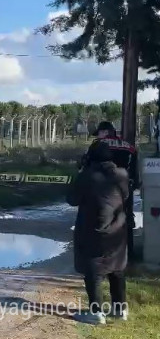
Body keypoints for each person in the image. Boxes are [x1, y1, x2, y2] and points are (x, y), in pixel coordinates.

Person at [68, 140, 130, 325]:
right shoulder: (122, 174)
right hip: (117, 228)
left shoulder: (88, 175)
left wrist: (79, 173)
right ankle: (119, 310)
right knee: (117, 268)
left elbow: (72, 199)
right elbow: (125, 196)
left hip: (93, 229)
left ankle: (96, 313)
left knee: (93, 269)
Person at [79, 121, 140, 261]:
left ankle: (101, 255)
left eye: (99, 133)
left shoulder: (98, 145)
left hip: (101, 189)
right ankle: (127, 254)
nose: (99, 136)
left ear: (106, 132)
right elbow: (135, 171)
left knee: (99, 221)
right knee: (125, 219)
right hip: (124, 189)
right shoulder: (129, 147)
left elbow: (86, 165)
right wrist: (134, 184)